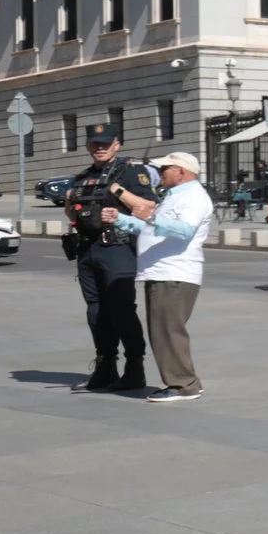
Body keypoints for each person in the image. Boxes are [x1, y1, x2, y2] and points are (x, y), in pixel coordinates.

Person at [112, 150, 214, 403]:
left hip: (175, 273)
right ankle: (180, 382)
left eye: (164, 168)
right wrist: (120, 220)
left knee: (168, 330)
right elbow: (151, 227)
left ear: (181, 172)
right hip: (161, 273)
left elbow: (183, 231)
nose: (159, 173)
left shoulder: (194, 197)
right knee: (161, 330)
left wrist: (152, 217)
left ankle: (184, 384)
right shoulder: (173, 196)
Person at [64, 121, 157, 394]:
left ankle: (134, 367)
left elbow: (148, 207)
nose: (100, 148)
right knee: (95, 310)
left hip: (117, 250)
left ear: (117, 143)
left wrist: (118, 194)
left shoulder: (130, 172)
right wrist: (70, 203)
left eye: (105, 143)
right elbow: (73, 215)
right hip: (88, 250)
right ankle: (106, 366)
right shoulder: (82, 176)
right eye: (95, 143)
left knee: (122, 309)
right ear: (87, 146)